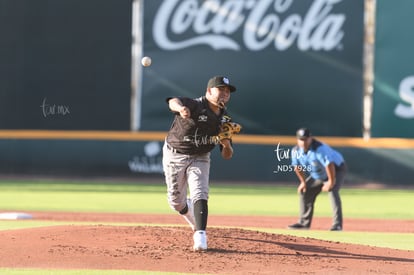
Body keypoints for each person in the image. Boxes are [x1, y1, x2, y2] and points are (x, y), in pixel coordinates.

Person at [162, 76, 237, 251]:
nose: (225, 94)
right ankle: (189, 211)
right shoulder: (195, 104)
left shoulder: (224, 119)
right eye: (221, 90)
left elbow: (227, 155)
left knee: (200, 192)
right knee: (176, 203)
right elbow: (173, 101)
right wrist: (181, 109)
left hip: (201, 156)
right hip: (176, 154)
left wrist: (226, 144)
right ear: (209, 91)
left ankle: (200, 235)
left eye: (228, 92)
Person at [288, 127, 347, 231]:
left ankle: (337, 225)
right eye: (301, 139)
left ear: (311, 138)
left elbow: (330, 165)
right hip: (318, 174)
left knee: (333, 190)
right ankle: (304, 223)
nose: (303, 142)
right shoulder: (295, 151)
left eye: (306, 139)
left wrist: (331, 182)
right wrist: (303, 182)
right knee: (305, 191)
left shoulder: (320, 149)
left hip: (336, 170)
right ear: (297, 140)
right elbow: (297, 167)